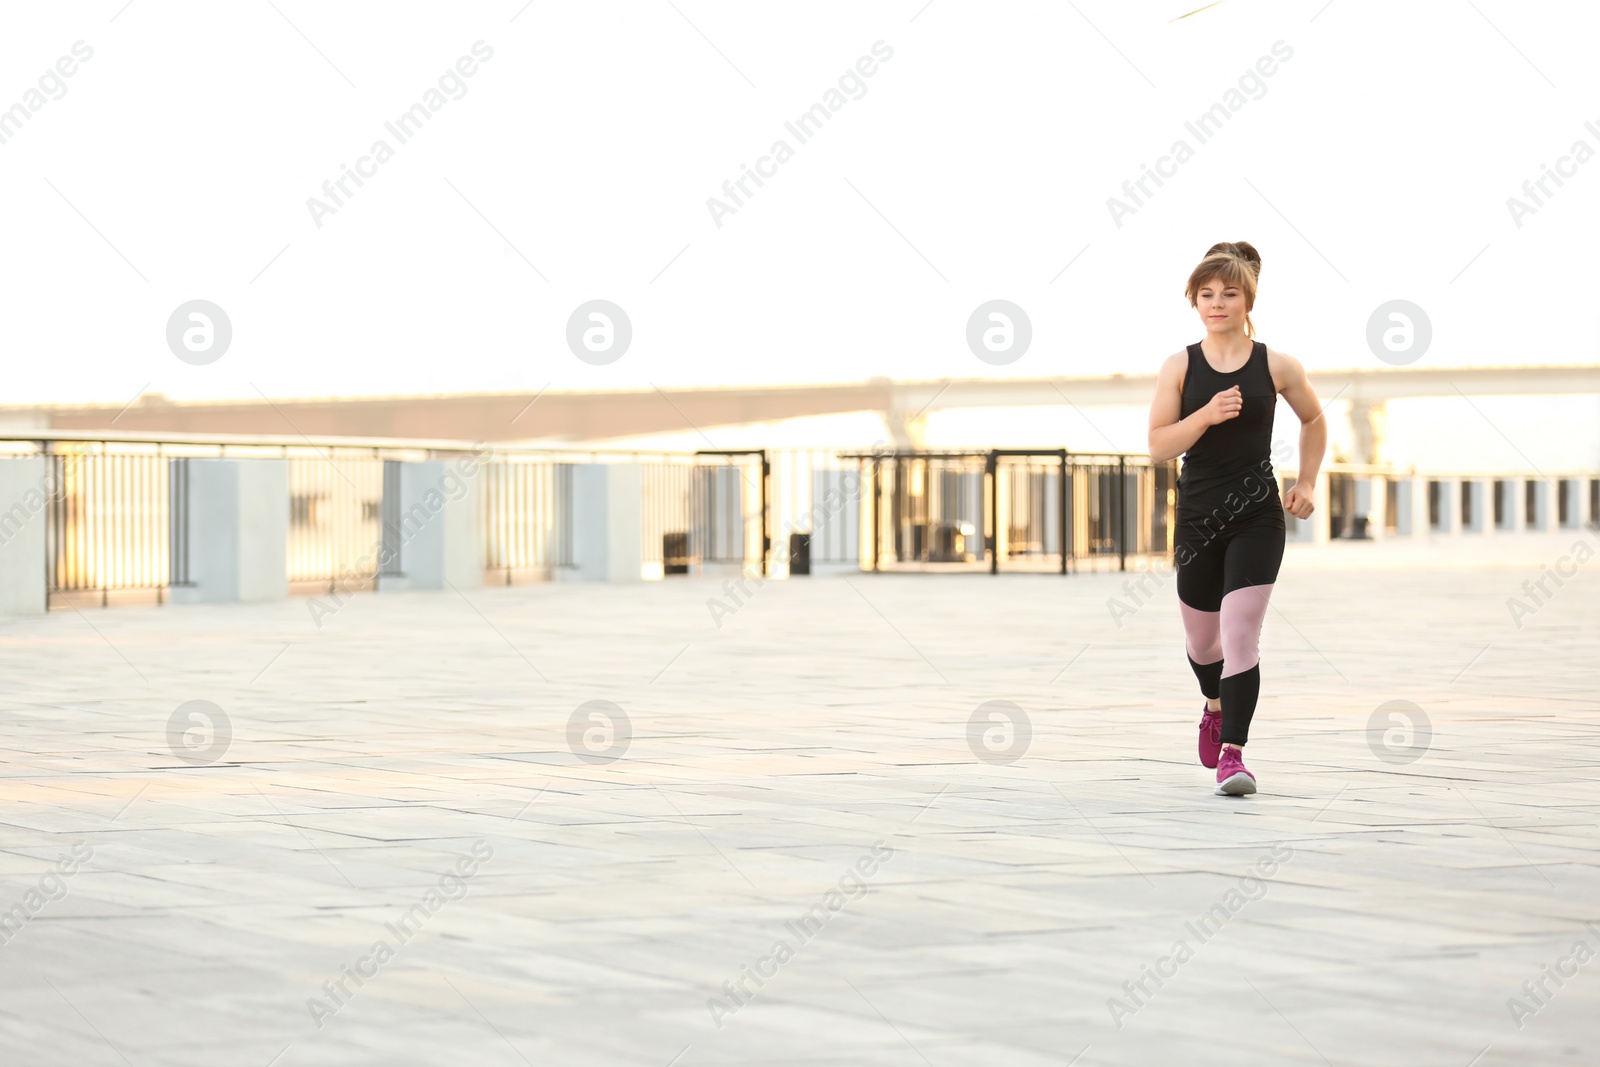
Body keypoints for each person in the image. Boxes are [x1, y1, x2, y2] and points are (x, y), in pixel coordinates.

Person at [1146, 241, 1326, 796]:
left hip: (1257, 515)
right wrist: (1206, 413)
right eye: (1207, 294)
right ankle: (1214, 703)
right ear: (1194, 301)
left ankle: (1234, 755)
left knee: (1241, 634)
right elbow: (1157, 446)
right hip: (1199, 516)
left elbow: (1314, 420)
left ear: (1248, 300)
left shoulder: (1277, 365)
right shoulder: (1180, 366)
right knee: (1204, 646)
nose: (1217, 303)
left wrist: (1307, 481)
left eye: (1229, 294)